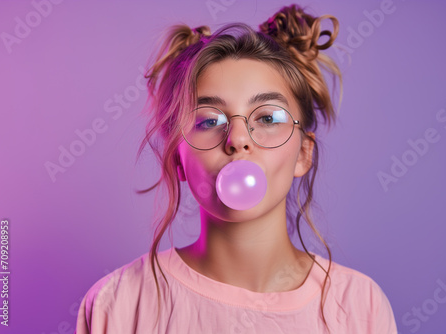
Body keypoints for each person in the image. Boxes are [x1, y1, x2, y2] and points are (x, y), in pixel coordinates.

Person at [75, 4, 398, 333]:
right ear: (176, 158)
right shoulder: (117, 304)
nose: (238, 139)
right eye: (210, 120)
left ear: (303, 152)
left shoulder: (360, 306)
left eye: (268, 118)